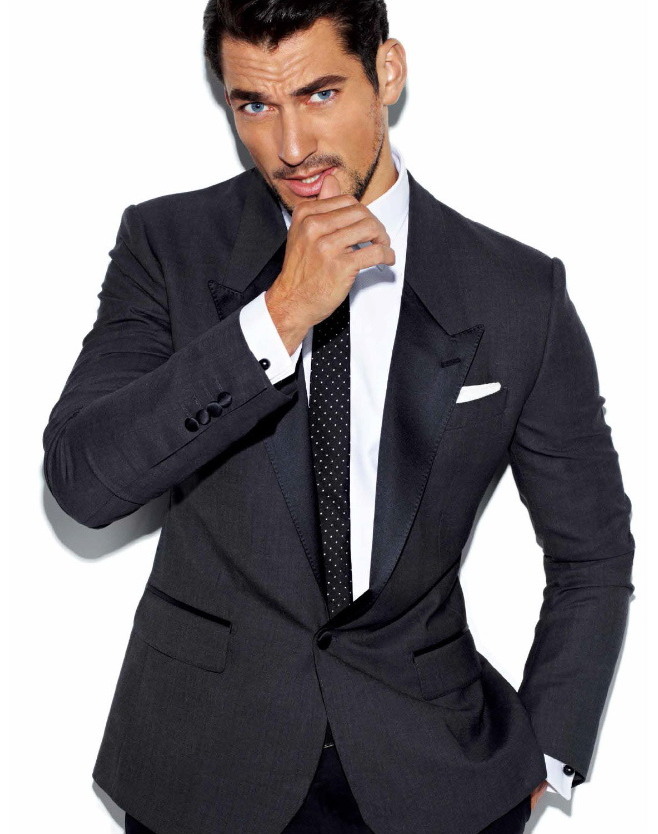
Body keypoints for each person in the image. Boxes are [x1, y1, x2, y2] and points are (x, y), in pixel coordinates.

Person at [42, 2, 635, 833]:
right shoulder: (167, 245)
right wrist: (278, 317)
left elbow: (592, 552)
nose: (290, 146)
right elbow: (83, 481)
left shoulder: (516, 292)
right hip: (203, 774)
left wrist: (547, 756)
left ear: (386, 72)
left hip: (436, 779)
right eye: (254, 104)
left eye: (319, 94)